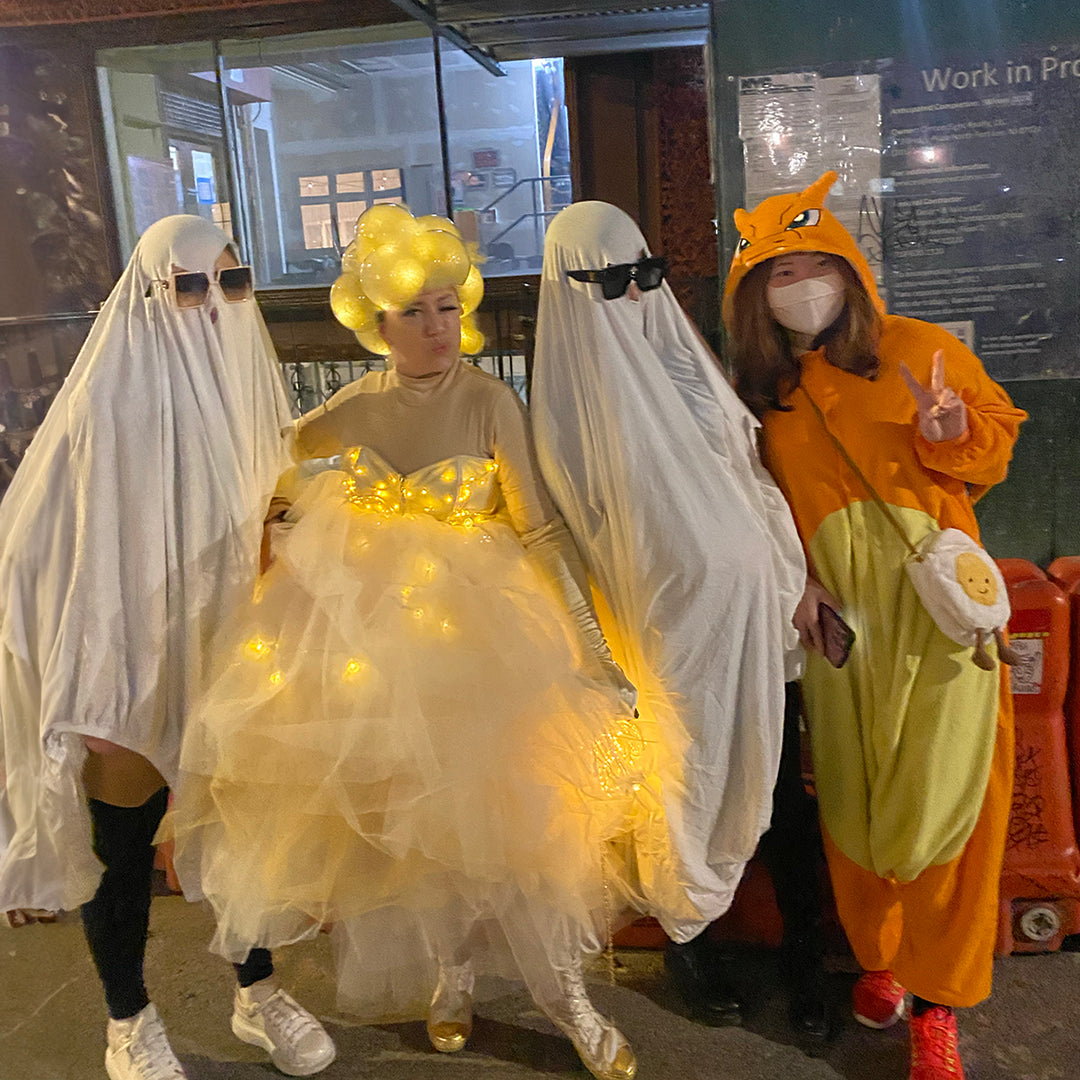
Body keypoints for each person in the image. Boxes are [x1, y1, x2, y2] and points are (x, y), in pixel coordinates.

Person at [163, 204, 640, 1080]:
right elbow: (266, 474)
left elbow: (539, 533)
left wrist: (594, 648)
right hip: (382, 663)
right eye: (414, 311)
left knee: (529, 838)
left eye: (450, 307)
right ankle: (451, 975)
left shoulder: (493, 400)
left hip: (491, 650)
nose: (438, 328)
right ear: (375, 324)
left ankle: (567, 995)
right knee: (422, 838)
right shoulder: (347, 410)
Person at [0, 215, 334, 1080]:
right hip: (131, 667)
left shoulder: (248, 395)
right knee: (125, 851)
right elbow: (39, 540)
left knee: (235, 834)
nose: (216, 304)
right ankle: (127, 1017)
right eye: (191, 286)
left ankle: (256, 993)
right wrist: (88, 663)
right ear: (151, 298)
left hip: (229, 654)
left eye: (232, 282)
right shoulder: (105, 405)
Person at [723, 171, 1027, 1080]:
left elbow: (997, 449)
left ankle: (940, 1007)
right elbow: (764, 508)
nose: (804, 285)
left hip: (938, 620)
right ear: (754, 295)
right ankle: (883, 959)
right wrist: (798, 591)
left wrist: (949, 426)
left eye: (820, 264)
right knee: (855, 807)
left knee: (951, 809)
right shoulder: (764, 388)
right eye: (781, 272)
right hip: (842, 626)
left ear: (851, 270)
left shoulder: (918, 349)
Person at [529, 201, 811, 1027]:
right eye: (613, 280)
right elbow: (571, 546)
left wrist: (794, 587)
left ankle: (804, 957)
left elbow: (752, 480)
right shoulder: (568, 410)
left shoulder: (685, 366)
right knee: (682, 793)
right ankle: (694, 945)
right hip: (666, 643)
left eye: (647, 274)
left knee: (779, 792)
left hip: (757, 624)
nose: (635, 295)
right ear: (575, 290)